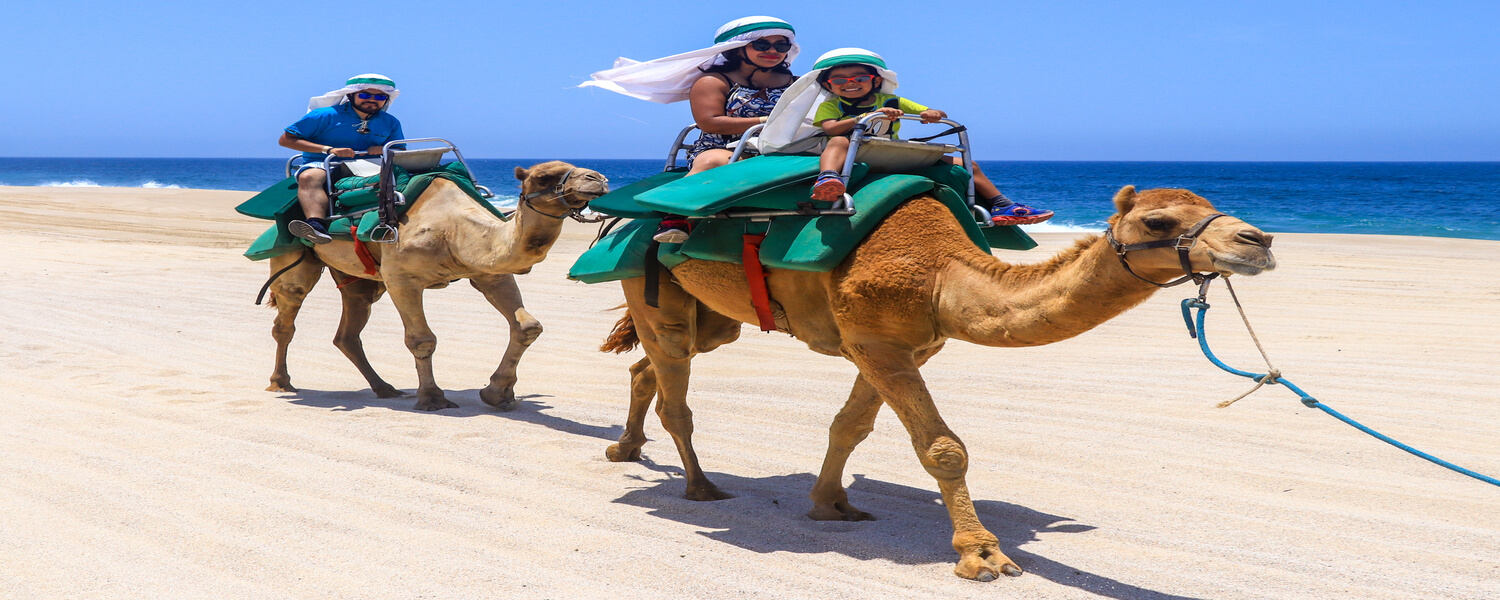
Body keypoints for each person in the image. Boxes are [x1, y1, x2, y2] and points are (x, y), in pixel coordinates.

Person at [762, 49, 1053, 225]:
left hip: (889, 151)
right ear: (829, 85)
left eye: (859, 79)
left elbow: (931, 111)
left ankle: (1003, 205)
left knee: (966, 164)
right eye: (840, 80)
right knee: (838, 140)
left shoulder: (892, 100)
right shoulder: (832, 105)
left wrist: (931, 114)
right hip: (853, 151)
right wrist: (863, 119)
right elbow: (830, 129)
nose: (850, 84)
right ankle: (828, 178)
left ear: (874, 81)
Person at [581, 16, 799, 243]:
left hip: (785, 149)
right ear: (738, 48)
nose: (773, 51)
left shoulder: (796, 82)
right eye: (762, 45)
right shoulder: (713, 81)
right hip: (725, 148)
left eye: (781, 45)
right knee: (711, 162)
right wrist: (768, 120)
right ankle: (674, 217)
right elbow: (710, 122)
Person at [278, 74, 406, 244]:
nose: (372, 100)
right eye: (366, 95)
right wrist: (329, 149)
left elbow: (399, 149)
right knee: (309, 177)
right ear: (351, 95)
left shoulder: (390, 122)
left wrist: (383, 150)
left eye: (380, 97)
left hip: (370, 165)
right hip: (326, 163)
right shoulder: (325, 115)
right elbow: (286, 139)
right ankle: (316, 224)